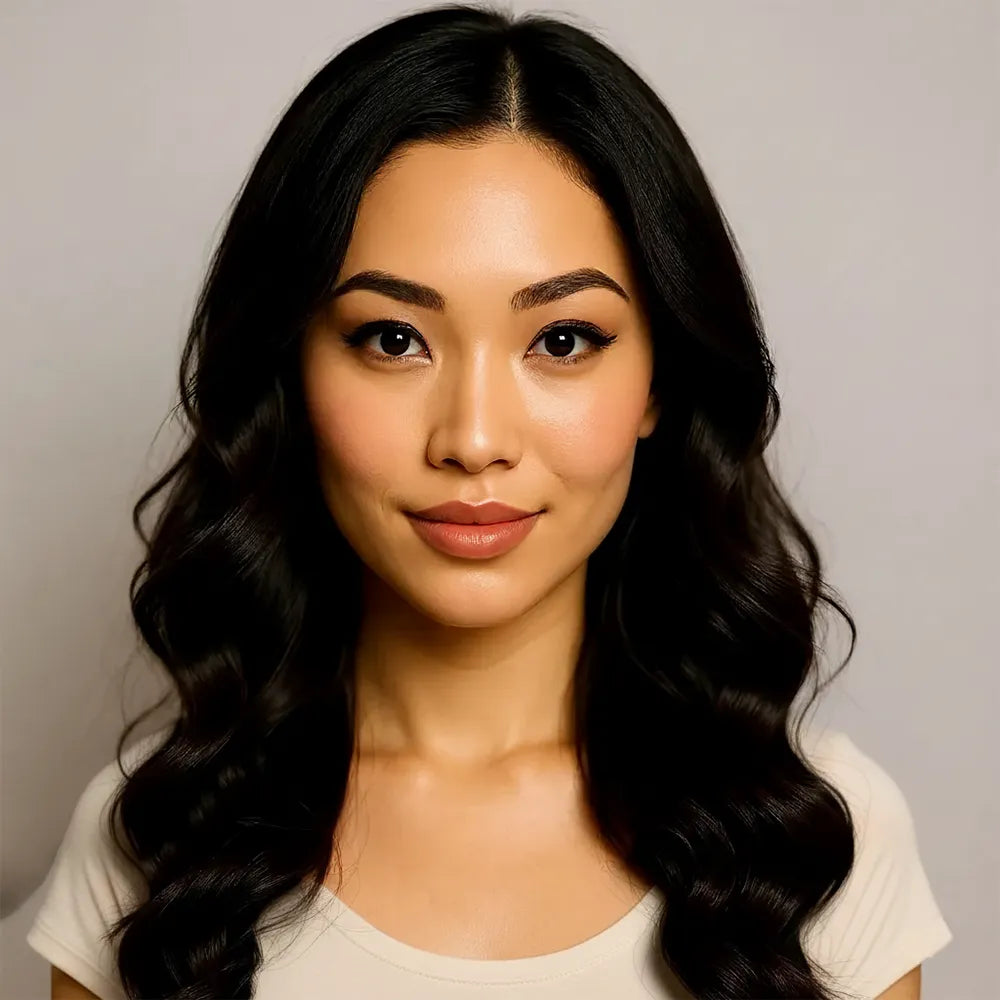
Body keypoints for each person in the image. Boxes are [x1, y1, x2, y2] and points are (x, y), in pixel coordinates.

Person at [25, 4, 953, 998]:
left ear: (658, 383)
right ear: (289, 375)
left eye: (561, 340)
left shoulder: (813, 836)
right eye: (391, 338)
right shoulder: (156, 842)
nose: (472, 438)